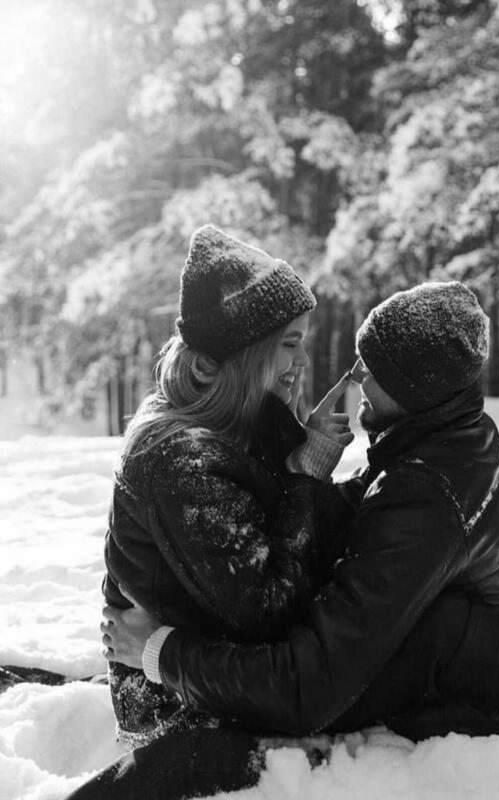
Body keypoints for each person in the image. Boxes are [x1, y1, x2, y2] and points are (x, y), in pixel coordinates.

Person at [69, 281, 499, 800]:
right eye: (291, 344)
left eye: (375, 366)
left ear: (414, 385)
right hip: (361, 660)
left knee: (443, 628)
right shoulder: (445, 442)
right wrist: (305, 459)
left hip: (391, 684)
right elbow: (353, 532)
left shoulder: (423, 494)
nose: (355, 377)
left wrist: (161, 652)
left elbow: (306, 680)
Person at [99, 223, 360, 755]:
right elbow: (269, 607)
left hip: (221, 671)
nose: (302, 362)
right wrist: (307, 470)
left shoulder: (249, 421)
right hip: (178, 708)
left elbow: (299, 535)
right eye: (289, 345)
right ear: (244, 353)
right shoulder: (180, 458)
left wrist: (309, 451)